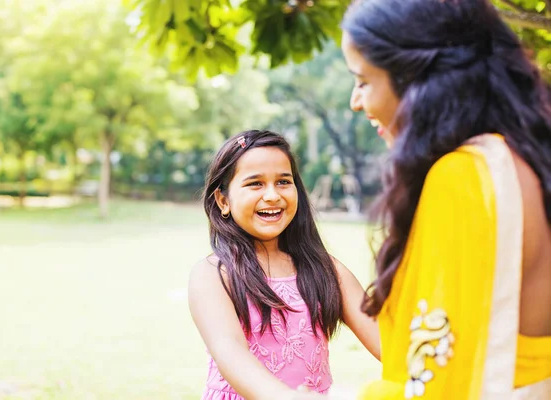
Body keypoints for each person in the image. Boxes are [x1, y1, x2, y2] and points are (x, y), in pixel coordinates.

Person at [336, 0, 551, 398]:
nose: (356, 102)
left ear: (418, 79)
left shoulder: (466, 178)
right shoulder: (523, 160)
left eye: (363, 81)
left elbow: (434, 385)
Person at [188, 130, 380, 400]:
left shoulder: (327, 269)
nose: (272, 196)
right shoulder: (213, 275)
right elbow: (229, 352)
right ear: (223, 200)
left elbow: (385, 338)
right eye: (255, 184)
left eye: (283, 182)